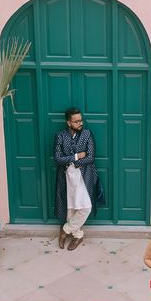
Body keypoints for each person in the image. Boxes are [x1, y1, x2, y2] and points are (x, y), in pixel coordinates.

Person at [53, 107, 105, 251]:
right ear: (68, 123)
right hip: (66, 177)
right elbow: (58, 158)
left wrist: (72, 161)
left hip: (85, 176)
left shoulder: (87, 134)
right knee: (70, 208)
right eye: (76, 121)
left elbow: (90, 157)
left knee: (86, 207)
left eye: (81, 120)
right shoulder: (60, 136)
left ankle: (65, 230)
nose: (80, 123)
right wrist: (76, 156)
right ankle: (77, 235)